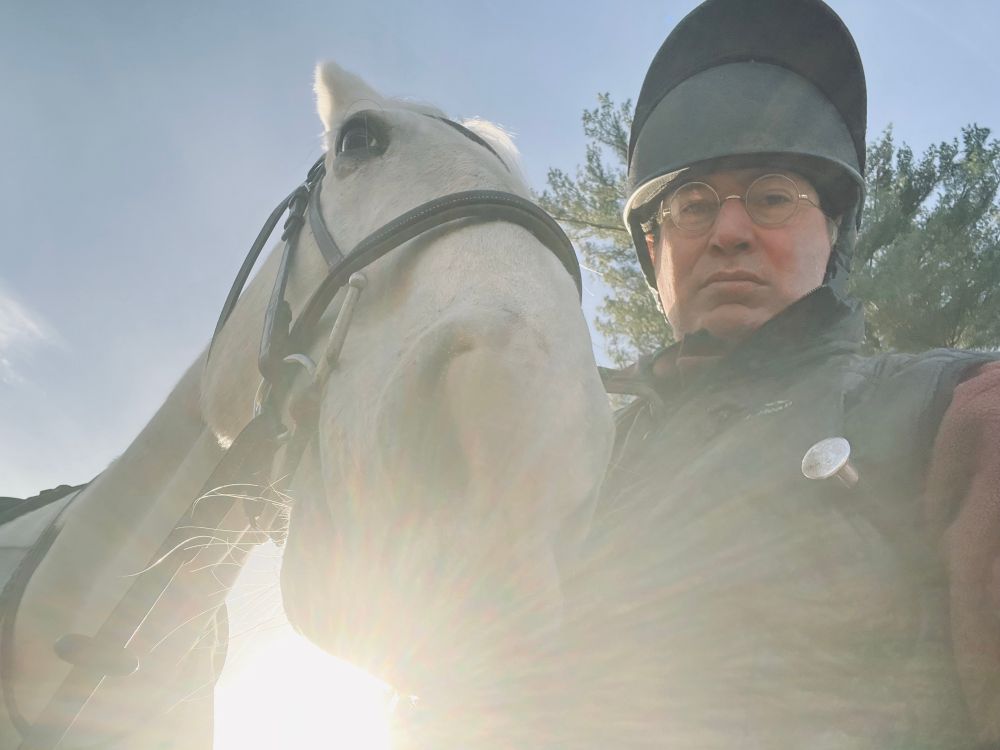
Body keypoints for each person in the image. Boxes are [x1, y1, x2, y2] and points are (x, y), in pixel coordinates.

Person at [553, 1, 1000, 748]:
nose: (729, 231)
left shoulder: (960, 413)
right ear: (653, 254)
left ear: (832, 234)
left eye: (771, 197)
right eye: (692, 205)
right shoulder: (573, 465)